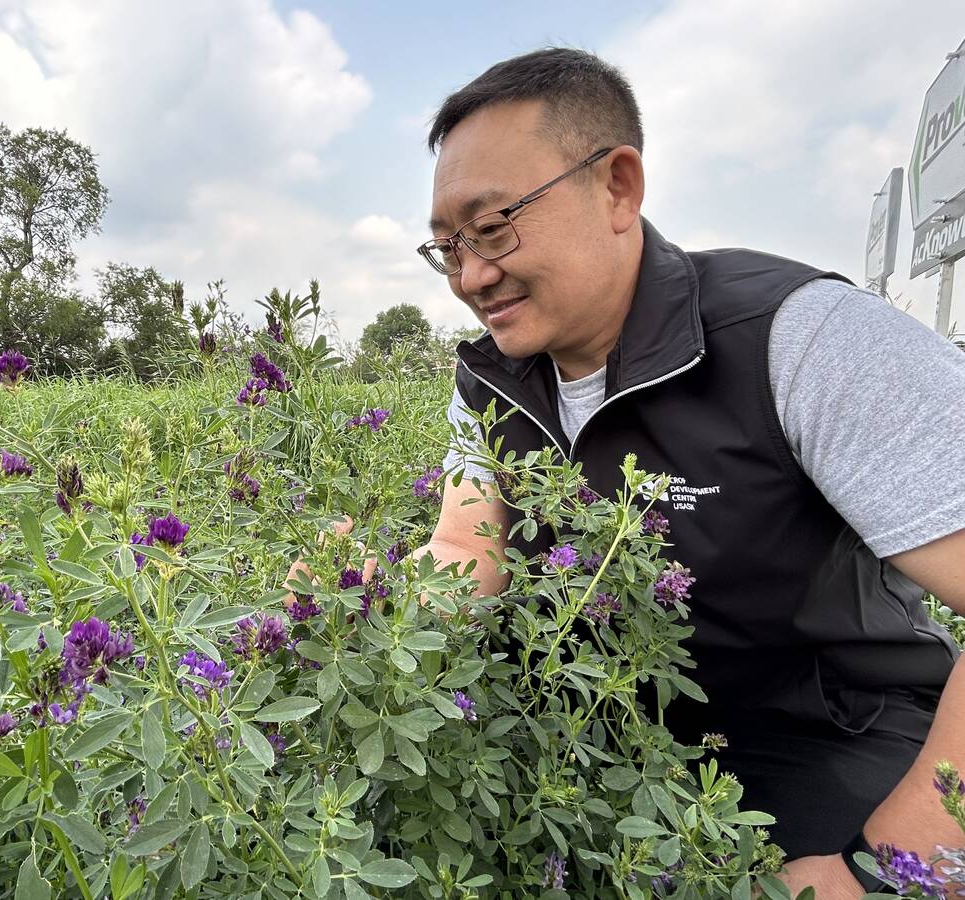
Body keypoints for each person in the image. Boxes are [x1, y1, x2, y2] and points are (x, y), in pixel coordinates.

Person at [388, 46, 965, 897]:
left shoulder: (798, 338)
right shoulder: (491, 381)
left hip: (823, 743)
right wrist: (364, 611)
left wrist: (889, 865)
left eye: (494, 226)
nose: (471, 276)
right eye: (447, 248)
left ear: (617, 186)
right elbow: (466, 548)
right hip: (607, 738)